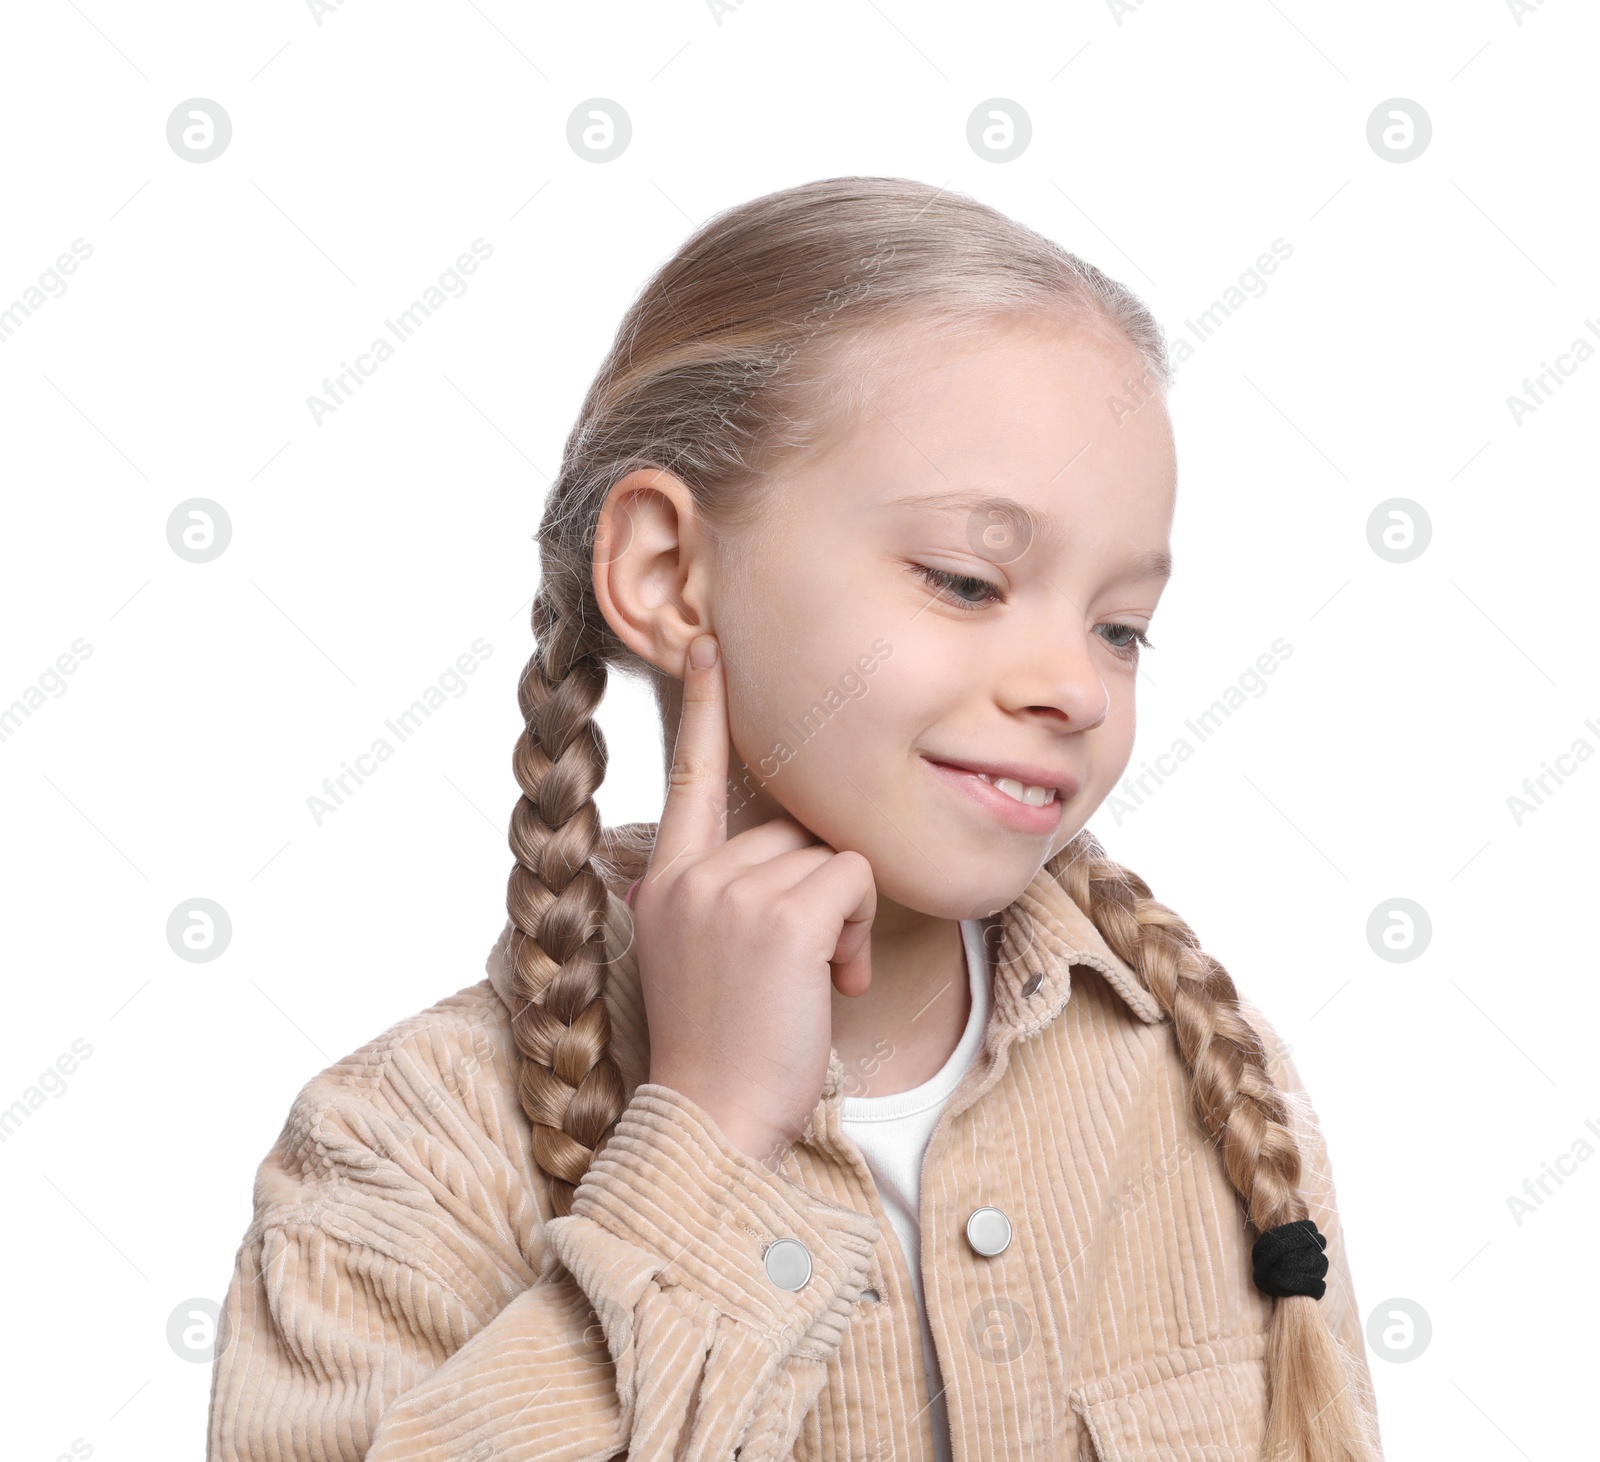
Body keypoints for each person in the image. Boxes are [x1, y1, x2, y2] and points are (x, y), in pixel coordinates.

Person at [206, 176, 1383, 1462]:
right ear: (665, 574)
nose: (1073, 684)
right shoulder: (397, 1160)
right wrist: (703, 1136)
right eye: (966, 579)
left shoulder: (1203, 1084)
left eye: (1120, 626)